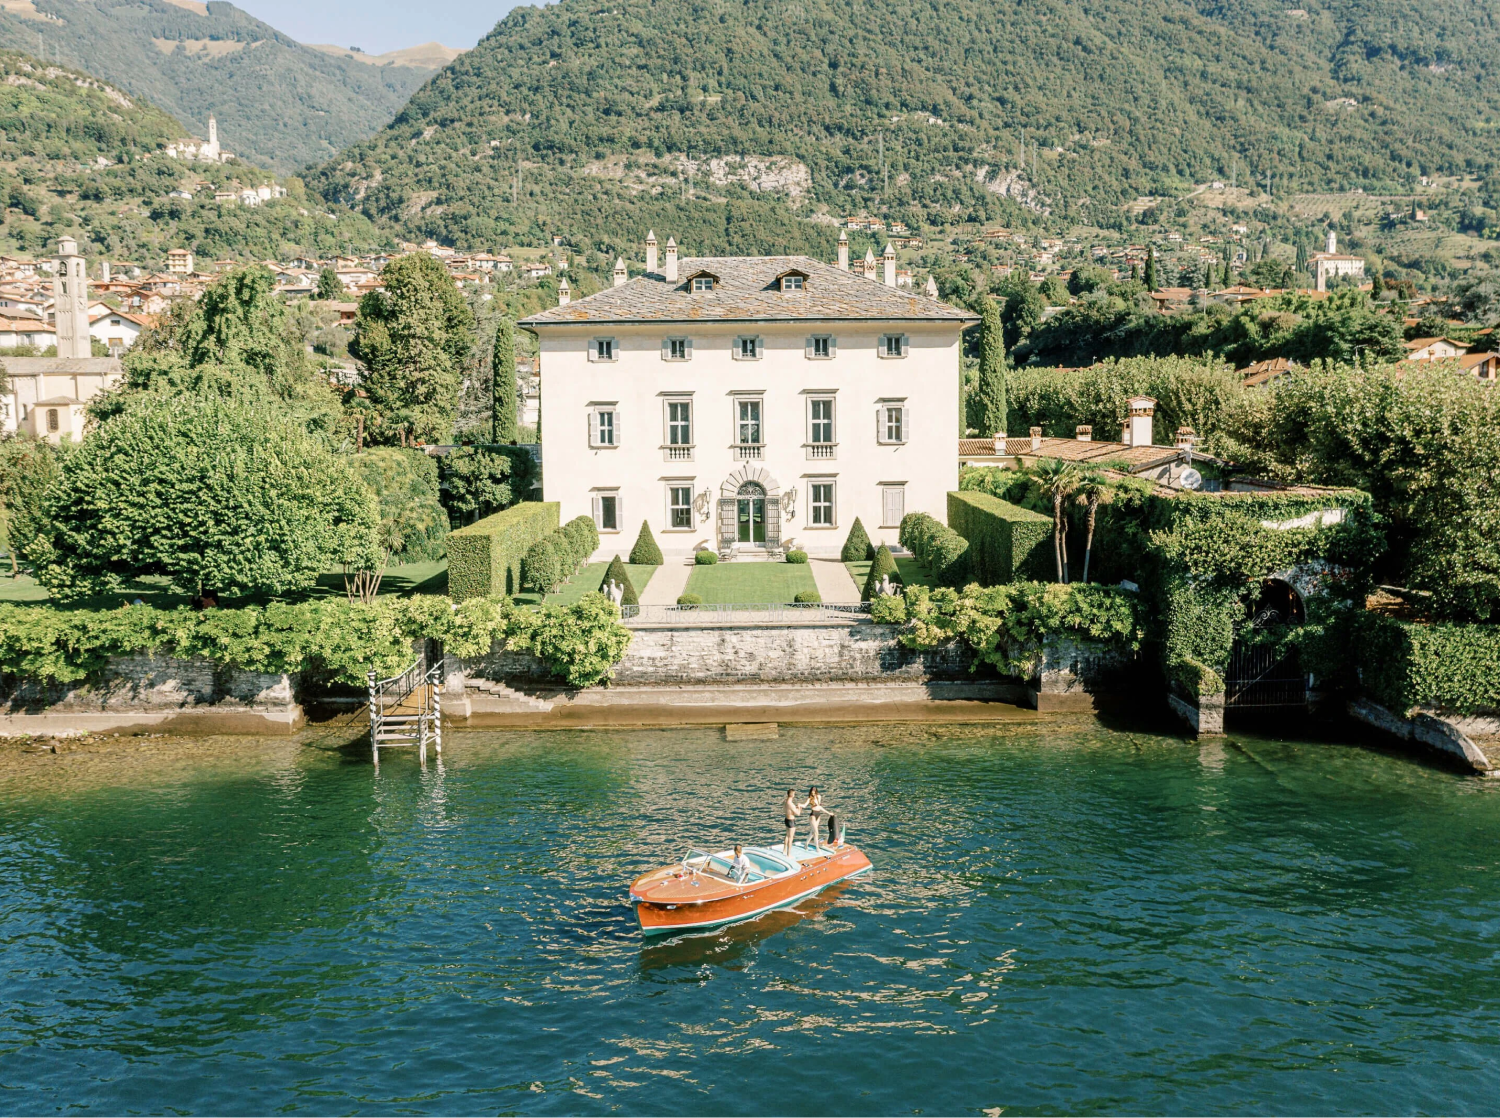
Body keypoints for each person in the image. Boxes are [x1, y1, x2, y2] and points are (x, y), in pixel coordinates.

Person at [783, 789, 805, 855]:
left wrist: (796, 807)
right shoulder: (791, 804)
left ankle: (784, 850)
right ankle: (788, 854)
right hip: (791, 821)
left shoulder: (785, 801)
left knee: (787, 835)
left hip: (786, 819)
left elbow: (788, 809)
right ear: (792, 795)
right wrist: (799, 807)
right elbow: (798, 813)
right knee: (791, 838)